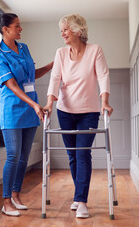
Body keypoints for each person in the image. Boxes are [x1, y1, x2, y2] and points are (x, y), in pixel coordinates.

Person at [44, 14, 113, 219]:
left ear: (78, 30)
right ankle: (78, 195)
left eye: (65, 29)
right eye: (62, 30)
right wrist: (49, 102)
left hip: (89, 112)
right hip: (64, 111)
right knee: (72, 155)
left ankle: (81, 201)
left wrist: (105, 102)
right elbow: (55, 78)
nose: (62, 33)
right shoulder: (61, 53)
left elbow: (103, 76)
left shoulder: (95, 50)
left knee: (83, 154)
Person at [0, 13, 53, 217]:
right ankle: (6, 201)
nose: (20, 29)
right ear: (5, 30)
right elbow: (12, 85)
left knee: (24, 157)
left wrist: (54, 65)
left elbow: (31, 75)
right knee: (13, 156)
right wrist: (35, 104)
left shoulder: (24, 48)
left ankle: (16, 195)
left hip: (30, 109)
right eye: (17, 26)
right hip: (13, 110)